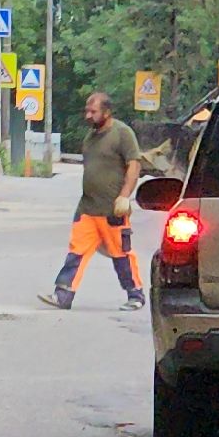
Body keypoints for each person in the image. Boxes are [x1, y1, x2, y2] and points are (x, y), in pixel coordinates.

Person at [39, 91, 146, 311]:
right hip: (87, 208)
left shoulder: (122, 134)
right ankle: (63, 295)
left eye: (93, 111)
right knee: (76, 251)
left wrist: (125, 195)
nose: (88, 115)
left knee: (121, 255)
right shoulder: (90, 137)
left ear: (107, 112)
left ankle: (135, 294)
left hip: (112, 210)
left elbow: (134, 166)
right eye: (86, 111)